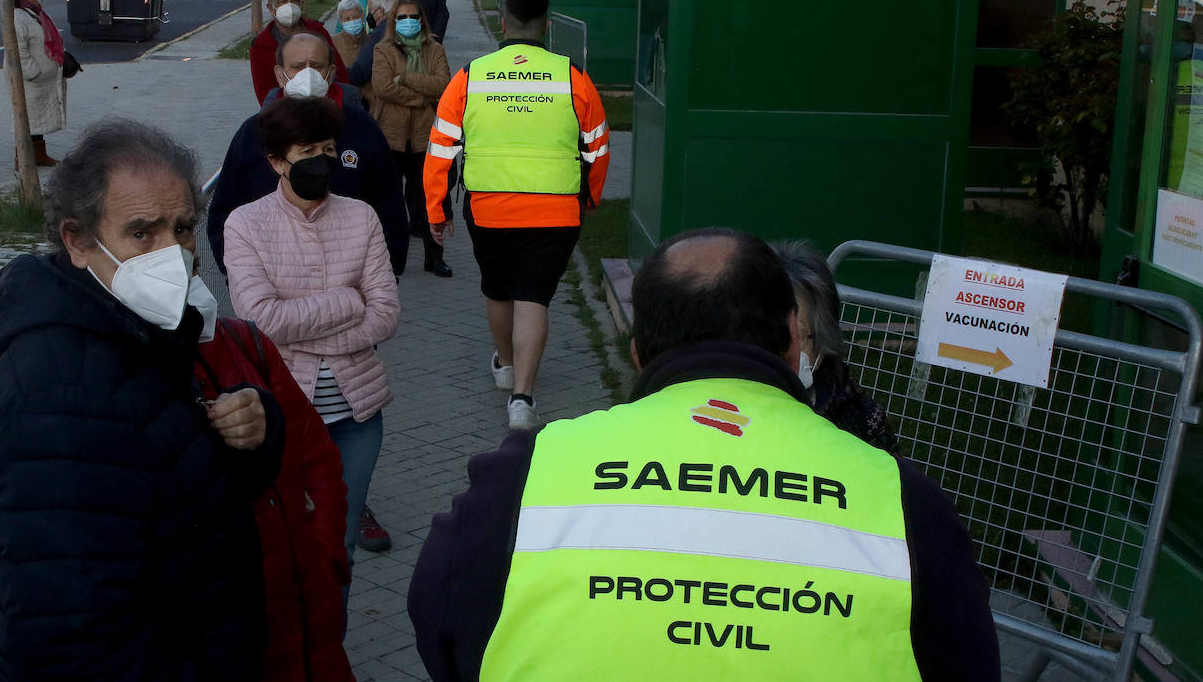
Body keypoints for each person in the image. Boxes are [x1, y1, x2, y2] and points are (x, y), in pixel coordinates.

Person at [407, 227, 1001, 681]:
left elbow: (441, 614)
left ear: (638, 350)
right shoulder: (899, 499)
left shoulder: (524, 476)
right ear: (794, 335)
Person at [0, 119, 286, 679]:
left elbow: (172, 489)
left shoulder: (138, 330)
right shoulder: (59, 395)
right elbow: (70, 635)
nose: (173, 252)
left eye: (184, 228)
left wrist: (257, 432)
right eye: (143, 233)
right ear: (76, 240)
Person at [223, 96, 401, 595]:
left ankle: (330, 653)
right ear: (277, 162)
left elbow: (386, 313)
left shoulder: (361, 217)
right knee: (277, 545)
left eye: (328, 148)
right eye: (307, 150)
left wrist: (307, 329)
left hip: (356, 417)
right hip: (281, 416)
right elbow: (261, 320)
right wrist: (348, 299)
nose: (322, 160)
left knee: (336, 545)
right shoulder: (246, 224)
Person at [423, 0, 610, 429]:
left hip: (490, 210)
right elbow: (598, 148)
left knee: (498, 289)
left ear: (503, 22)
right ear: (547, 25)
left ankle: (505, 366)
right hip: (556, 212)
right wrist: (591, 197)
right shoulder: (573, 77)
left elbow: (440, 151)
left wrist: (437, 212)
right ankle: (522, 400)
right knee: (534, 297)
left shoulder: (471, 77)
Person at [194, 311, 354, 681]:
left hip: (307, 614)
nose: (173, 255)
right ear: (77, 249)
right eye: (145, 246)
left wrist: (324, 557)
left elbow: (319, 457)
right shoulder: (97, 373)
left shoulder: (240, 340)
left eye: (188, 251)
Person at [209, 32, 408, 279]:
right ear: (280, 75)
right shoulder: (254, 133)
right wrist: (237, 278)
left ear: (331, 72)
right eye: (297, 66)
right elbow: (225, 210)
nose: (307, 73)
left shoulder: (362, 129)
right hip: (273, 284)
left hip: (349, 281)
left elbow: (389, 204)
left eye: (316, 66)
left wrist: (389, 272)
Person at [772, 240, 902, 455]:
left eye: (795, 335)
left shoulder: (859, 420)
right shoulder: (721, 407)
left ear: (822, 345)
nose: (777, 348)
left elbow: (896, 480)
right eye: (763, 331)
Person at [372, 0, 452, 278]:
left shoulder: (435, 48)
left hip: (424, 135)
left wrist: (405, 78)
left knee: (430, 198)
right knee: (389, 201)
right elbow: (382, 87)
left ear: (421, 18)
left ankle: (435, 257)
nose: (408, 21)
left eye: (413, 16)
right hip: (391, 134)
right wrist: (419, 100)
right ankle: (390, 260)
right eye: (402, 17)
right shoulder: (383, 49)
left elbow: (443, 85)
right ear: (394, 21)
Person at [251, 0, 350, 105]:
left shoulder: (318, 31)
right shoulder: (261, 45)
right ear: (270, 7)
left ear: (301, 3)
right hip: (286, 111)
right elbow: (263, 91)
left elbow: (340, 73)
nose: (289, 6)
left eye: (294, 0)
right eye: (282, 2)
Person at [9, 0, 64, 167]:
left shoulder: (34, 12)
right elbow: (19, 48)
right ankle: (23, 158)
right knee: (28, 117)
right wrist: (32, 72)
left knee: (37, 117)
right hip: (29, 79)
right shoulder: (19, 16)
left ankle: (39, 155)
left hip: (42, 80)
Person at [347, 0, 399, 90]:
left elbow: (360, 73)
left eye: (370, 10)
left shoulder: (381, 33)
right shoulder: (400, 27)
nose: (369, 15)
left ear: (380, 11)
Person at [332, 0, 369, 68]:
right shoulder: (333, 43)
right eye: (347, 19)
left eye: (355, 17)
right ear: (341, 22)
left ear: (362, 16)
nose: (352, 21)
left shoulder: (372, 41)